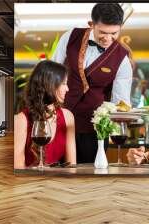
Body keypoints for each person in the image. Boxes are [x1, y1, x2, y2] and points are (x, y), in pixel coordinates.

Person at [51, 3, 133, 163]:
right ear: (91, 24)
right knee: (57, 172)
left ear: (121, 28)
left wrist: (119, 125)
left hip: (94, 131)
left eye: (114, 33)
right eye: (102, 32)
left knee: (91, 176)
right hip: (60, 123)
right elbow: (52, 75)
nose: (108, 39)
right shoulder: (70, 36)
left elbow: (120, 102)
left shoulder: (122, 59)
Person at [14, 61, 76, 169]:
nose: (67, 89)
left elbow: (71, 166)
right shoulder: (22, 119)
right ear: (50, 85)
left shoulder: (68, 117)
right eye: (64, 83)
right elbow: (18, 168)